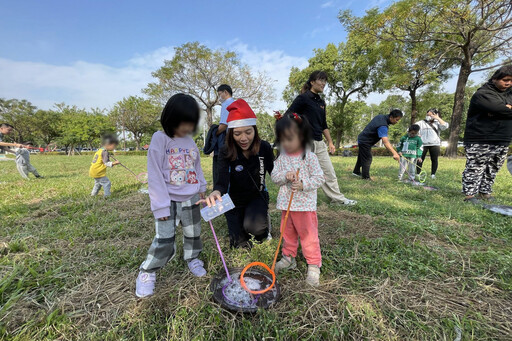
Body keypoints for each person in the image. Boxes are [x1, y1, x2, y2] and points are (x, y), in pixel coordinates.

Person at [136, 94, 208, 298]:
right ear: (172, 118)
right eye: (185, 122)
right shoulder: (160, 138)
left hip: (192, 197)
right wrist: (160, 206)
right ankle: (147, 271)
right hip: (169, 199)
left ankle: (192, 258)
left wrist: (202, 187)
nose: (188, 127)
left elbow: (197, 167)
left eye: (191, 123)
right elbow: (155, 174)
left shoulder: (190, 142)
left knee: (193, 233)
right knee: (165, 239)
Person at [201, 99, 274, 248]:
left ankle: (264, 219)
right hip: (233, 200)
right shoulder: (225, 151)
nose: (243, 138)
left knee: (257, 231)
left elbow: (274, 172)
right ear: (231, 134)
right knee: (238, 242)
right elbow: (221, 182)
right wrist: (216, 191)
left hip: (256, 196)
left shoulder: (264, 147)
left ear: (255, 130)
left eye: (248, 132)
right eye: (237, 133)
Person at [286, 71, 356, 205]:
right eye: (321, 80)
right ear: (312, 82)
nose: (323, 83)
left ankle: (337, 199)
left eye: (325, 81)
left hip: (319, 142)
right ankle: (297, 199)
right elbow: (288, 116)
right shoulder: (303, 98)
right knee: (301, 172)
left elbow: (324, 124)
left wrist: (330, 142)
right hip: (304, 142)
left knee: (328, 171)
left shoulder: (321, 102)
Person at [271, 113, 325, 287]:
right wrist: (284, 177)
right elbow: (274, 177)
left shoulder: (309, 157)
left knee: (308, 235)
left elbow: (319, 178)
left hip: (304, 206)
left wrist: (303, 184)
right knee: (287, 232)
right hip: (286, 205)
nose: (285, 143)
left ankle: (314, 264)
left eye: (290, 138)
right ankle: (288, 257)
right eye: (282, 139)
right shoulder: (281, 158)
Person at [462, 65, 512, 204]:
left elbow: (502, 110)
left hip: (502, 138)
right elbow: (499, 109)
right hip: (480, 138)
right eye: (505, 79)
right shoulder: (483, 93)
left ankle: (485, 192)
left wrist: (505, 108)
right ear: (495, 78)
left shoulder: (509, 93)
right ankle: (470, 195)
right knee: (475, 167)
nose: (508, 83)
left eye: (511, 80)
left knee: (493, 168)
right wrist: (504, 108)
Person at [353, 109, 403, 180]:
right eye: (396, 120)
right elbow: (385, 141)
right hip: (365, 141)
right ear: (391, 117)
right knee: (367, 158)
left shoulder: (380, 116)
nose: (397, 122)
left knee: (362, 157)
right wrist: (394, 153)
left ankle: (356, 171)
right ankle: (365, 177)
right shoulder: (383, 126)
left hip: (362, 138)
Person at [415, 108, 449, 179]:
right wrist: (416, 134)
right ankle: (418, 173)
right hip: (423, 144)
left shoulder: (437, 123)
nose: (428, 116)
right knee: (420, 159)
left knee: (434, 159)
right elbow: (411, 128)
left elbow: (445, 126)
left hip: (435, 144)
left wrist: (437, 118)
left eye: (430, 115)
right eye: (427, 114)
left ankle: (433, 174)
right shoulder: (421, 123)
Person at [212, 84, 235, 185]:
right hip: (235, 138)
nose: (219, 97)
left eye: (220, 94)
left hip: (228, 139)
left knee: (223, 168)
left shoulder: (226, 104)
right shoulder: (235, 103)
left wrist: (214, 134)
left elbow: (224, 125)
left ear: (225, 92)